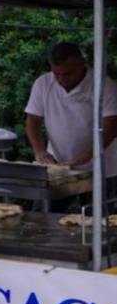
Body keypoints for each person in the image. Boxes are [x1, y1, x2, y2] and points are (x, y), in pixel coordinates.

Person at [25, 42, 117, 196]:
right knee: (45, 212)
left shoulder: (104, 86)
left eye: (67, 74)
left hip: (103, 167)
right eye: (57, 74)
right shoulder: (43, 84)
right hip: (58, 167)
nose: (61, 79)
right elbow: (32, 120)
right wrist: (40, 151)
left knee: (97, 218)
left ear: (81, 65)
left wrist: (82, 159)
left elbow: (111, 128)